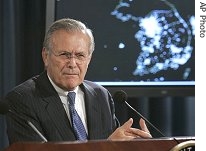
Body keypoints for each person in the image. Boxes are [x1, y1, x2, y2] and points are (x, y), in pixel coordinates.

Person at [4, 18, 152, 144]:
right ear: (46, 56)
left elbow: (116, 144)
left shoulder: (101, 95)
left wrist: (138, 146)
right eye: (64, 54)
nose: (72, 63)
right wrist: (106, 147)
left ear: (89, 59)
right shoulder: (22, 100)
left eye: (80, 55)